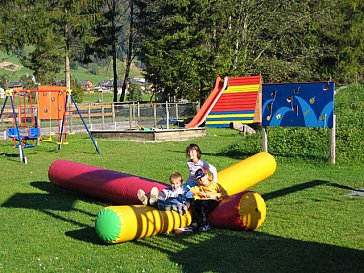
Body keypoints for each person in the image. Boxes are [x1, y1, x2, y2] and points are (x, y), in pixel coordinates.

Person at [188, 168, 227, 232]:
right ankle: (195, 224)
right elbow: (191, 190)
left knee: (201, 204)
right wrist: (200, 193)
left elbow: (224, 193)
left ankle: (204, 224)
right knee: (195, 203)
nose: (201, 179)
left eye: (202, 177)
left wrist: (214, 195)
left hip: (213, 200)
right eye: (198, 178)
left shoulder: (214, 184)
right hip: (203, 202)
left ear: (206, 175)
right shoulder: (199, 187)